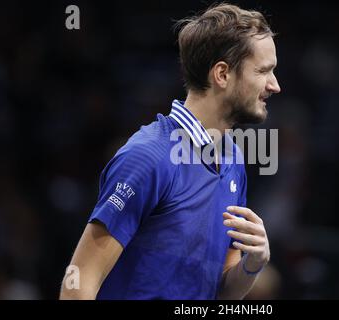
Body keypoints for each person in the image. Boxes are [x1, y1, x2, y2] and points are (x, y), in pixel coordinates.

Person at [59, 2, 281, 300]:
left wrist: (254, 264)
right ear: (222, 74)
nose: (274, 85)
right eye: (263, 71)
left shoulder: (234, 161)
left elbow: (222, 294)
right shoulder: (148, 157)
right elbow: (79, 281)